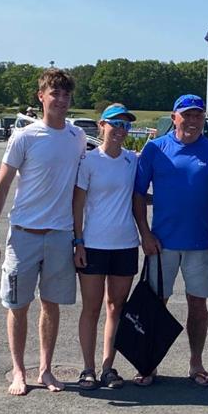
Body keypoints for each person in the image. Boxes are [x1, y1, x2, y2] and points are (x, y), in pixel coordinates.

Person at [0, 68, 87, 396]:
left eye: (66, 95)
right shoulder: (25, 137)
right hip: (24, 233)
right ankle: (18, 370)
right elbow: (2, 184)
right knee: (17, 304)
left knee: (51, 304)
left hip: (59, 235)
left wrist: (78, 238)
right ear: (41, 97)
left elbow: (82, 188)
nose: (61, 100)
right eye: (55, 94)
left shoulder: (77, 137)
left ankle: (45, 369)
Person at [133, 94, 208, 387]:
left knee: (198, 307)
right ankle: (149, 363)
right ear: (174, 118)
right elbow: (137, 195)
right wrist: (144, 234)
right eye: (187, 115)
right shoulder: (155, 149)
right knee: (155, 305)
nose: (193, 121)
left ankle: (196, 363)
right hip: (161, 243)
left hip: (200, 243)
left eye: (198, 115)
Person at [73, 104, 140, 390]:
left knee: (116, 307)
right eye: (116, 124)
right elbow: (77, 205)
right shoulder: (88, 161)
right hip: (93, 245)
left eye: (126, 125)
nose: (121, 130)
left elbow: (140, 196)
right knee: (91, 308)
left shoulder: (132, 161)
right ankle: (87, 368)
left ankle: (107, 367)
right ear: (101, 125)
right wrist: (77, 242)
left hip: (125, 244)